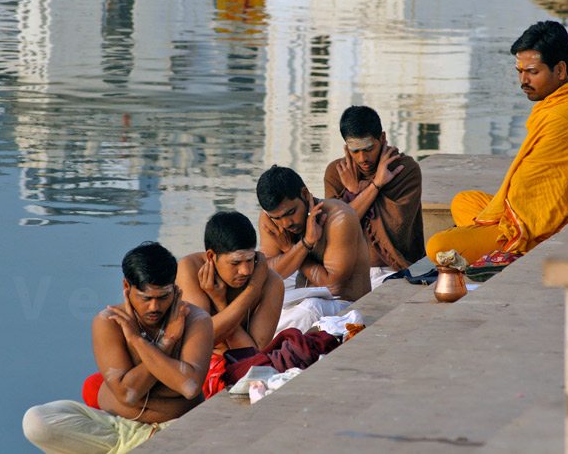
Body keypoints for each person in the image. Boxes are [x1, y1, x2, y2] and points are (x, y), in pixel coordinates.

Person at [426, 21, 568, 267]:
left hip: (551, 227)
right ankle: (487, 238)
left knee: (438, 246)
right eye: (519, 71)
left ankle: (512, 251)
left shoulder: (566, 117)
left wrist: (507, 223)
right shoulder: (566, 100)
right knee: (464, 200)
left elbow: (536, 203)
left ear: (560, 70)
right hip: (533, 212)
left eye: (532, 72)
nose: (523, 80)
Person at [23, 242, 213, 454]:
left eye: (163, 297)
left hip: (174, 426)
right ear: (126, 287)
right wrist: (165, 344)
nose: (154, 307)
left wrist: (139, 342)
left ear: (176, 290)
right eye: (146, 298)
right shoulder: (109, 322)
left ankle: (140, 446)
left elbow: (189, 387)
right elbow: (127, 395)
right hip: (115, 427)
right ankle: (143, 443)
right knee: (36, 422)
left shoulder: (196, 320)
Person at [177, 211, 284, 397]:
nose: (245, 270)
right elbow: (201, 341)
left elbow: (253, 355)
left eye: (250, 260)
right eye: (235, 263)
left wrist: (220, 302)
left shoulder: (271, 282)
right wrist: (252, 290)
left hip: (242, 367)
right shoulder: (190, 269)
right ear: (211, 256)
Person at [257, 165, 370, 333]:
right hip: (302, 295)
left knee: (311, 308)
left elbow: (333, 286)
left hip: (346, 303)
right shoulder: (271, 220)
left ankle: (257, 352)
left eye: (291, 212)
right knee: (255, 296)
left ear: (304, 194)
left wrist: (295, 247)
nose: (286, 223)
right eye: (277, 218)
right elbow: (267, 273)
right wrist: (304, 245)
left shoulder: (339, 218)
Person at [324, 105, 424, 288]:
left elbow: (398, 227)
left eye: (369, 149)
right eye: (355, 151)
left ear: (383, 138)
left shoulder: (405, 170)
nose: (363, 158)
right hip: (344, 269)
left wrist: (358, 192)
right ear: (346, 148)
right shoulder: (336, 172)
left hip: (389, 269)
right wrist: (372, 186)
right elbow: (333, 229)